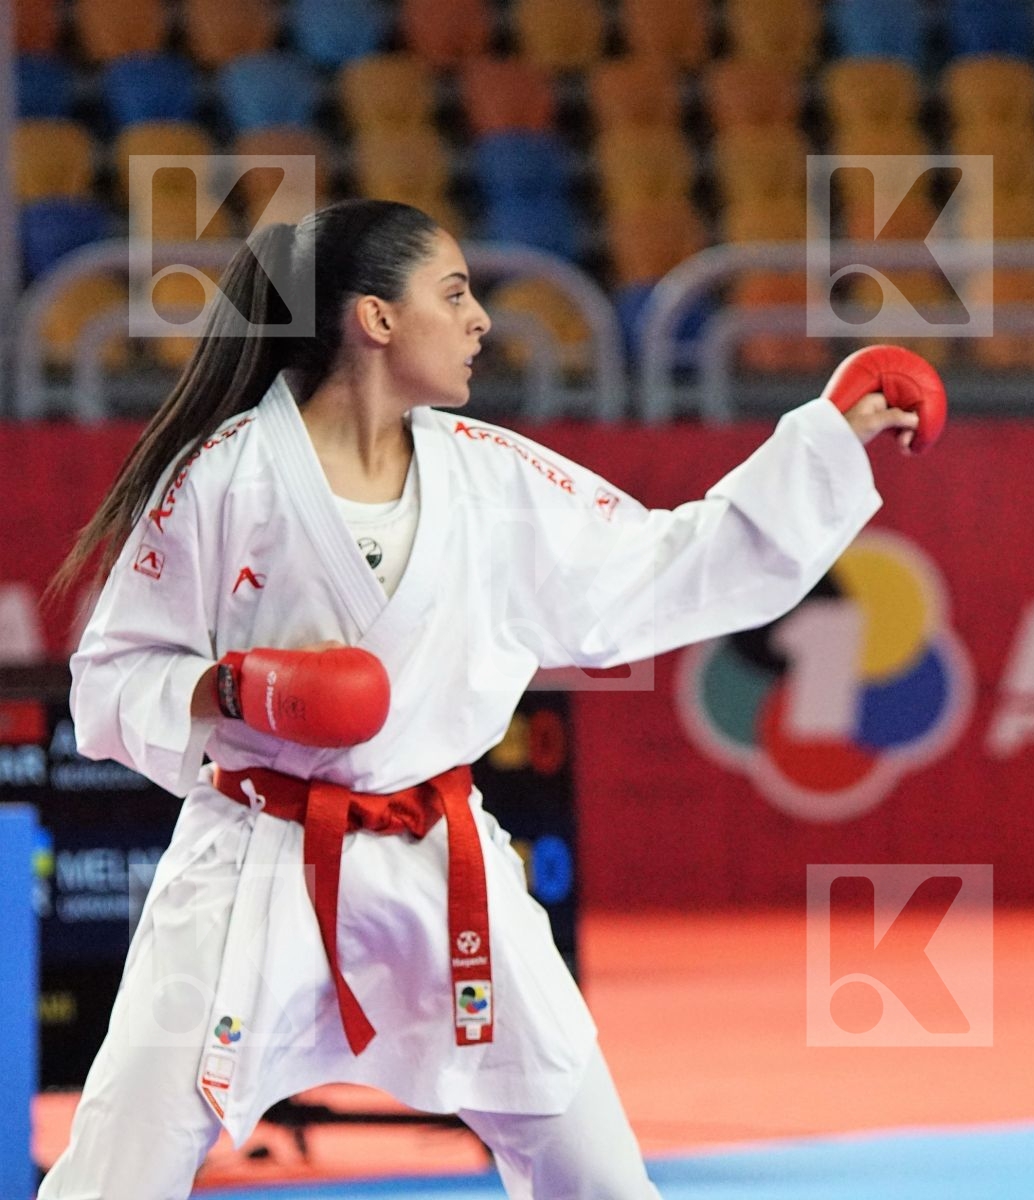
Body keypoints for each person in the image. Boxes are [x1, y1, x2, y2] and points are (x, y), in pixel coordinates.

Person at [38, 198, 929, 1200]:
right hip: (254, 856)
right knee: (118, 1167)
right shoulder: (223, 478)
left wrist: (828, 442)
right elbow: (110, 682)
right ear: (375, 319)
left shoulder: (493, 479)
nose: (481, 320)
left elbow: (668, 563)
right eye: (453, 293)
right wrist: (236, 688)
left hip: (440, 854)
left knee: (596, 1173)